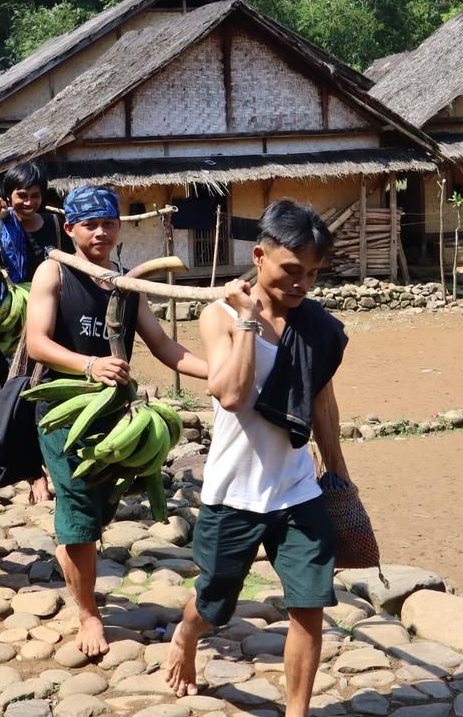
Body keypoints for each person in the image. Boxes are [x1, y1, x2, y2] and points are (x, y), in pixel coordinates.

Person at [165, 200, 347, 717]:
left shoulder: (317, 327)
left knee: (309, 606)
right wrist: (248, 320)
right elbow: (231, 394)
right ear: (259, 255)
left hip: (296, 487)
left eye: (312, 273)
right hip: (234, 489)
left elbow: (322, 399)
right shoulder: (219, 315)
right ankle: (186, 633)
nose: (301, 284)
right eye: (292, 269)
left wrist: (337, 468)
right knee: (214, 603)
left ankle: (296, 712)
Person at [25, 184, 208, 658]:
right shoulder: (54, 272)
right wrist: (89, 365)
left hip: (114, 414)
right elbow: (36, 344)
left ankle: (74, 558)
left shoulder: (125, 282)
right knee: (80, 509)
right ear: (69, 229)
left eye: (109, 222)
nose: (101, 231)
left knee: (99, 509)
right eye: (90, 224)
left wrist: (221, 371)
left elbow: (165, 347)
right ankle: (88, 613)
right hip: (65, 411)